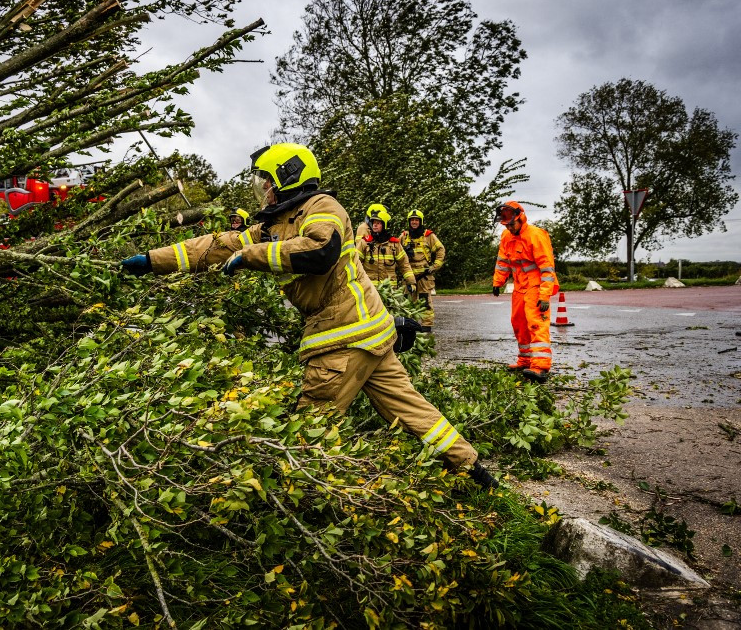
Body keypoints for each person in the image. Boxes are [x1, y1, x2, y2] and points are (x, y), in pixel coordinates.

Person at [122, 143, 498, 488]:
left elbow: (321, 250)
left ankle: (308, 499)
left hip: (342, 336)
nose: (263, 191)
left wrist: (253, 256)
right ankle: (473, 471)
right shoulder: (273, 225)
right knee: (408, 406)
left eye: (267, 182)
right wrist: (154, 261)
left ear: (288, 177)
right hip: (367, 329)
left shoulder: (321, 208)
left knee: (308, 434)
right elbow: (214, 247)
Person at [491, 201, 559, 383]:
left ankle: (541, 367)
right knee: (519, 323)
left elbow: (547, 268)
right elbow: (503, 262)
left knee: (536, 323)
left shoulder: (536, 235)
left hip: (536, 287)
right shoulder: (507, 236)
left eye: (511, 224)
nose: (509, 228)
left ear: (520, 218)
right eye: (506, 225)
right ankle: (525, 361)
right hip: (520, 287)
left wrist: (545, 295)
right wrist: (498, 282)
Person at [397, 210, 445, 331]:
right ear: (409, 221)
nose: (414, 222)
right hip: (409, 276)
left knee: (425, 302)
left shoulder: (428, 236)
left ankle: (426, 326)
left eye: (416, 220)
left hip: (424, 276)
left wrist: (434, 266)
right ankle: (409, 325)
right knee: (407, 302)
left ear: (421, 221)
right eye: (412, 220)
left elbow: (440, 250)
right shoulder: (404, 236)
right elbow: (395, 250)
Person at [355, 204, 416, 291]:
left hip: (390, 291)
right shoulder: (364, 243)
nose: (375, 225)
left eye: (378, 223)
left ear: (384, 225)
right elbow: (355, 263)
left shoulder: (394, 244)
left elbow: (404, 264)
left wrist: (411, 282)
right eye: (374, 223)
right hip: (370, 291)